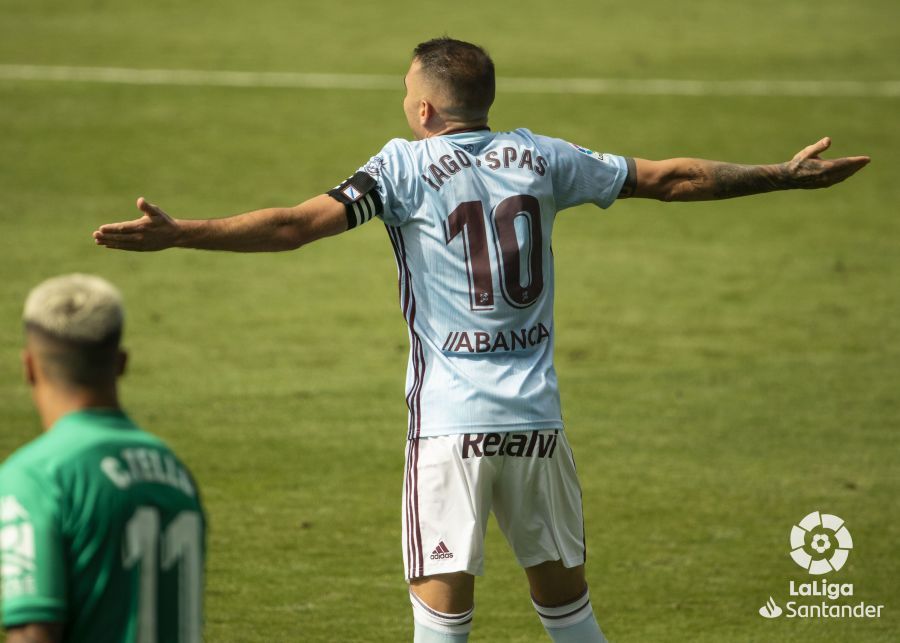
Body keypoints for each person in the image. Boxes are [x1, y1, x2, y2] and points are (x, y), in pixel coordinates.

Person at [92, 38, 869, 642]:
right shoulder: (544, 157)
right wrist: (778, 174)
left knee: (440, 626)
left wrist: (182, 234)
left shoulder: (399, 169)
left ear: (426, 110)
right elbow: (669, 178)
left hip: (450, 430)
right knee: (570, 618)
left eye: (407, 89)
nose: (402, 99)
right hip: (537, 423)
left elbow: (296, 226)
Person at [1, 274, 206, 643]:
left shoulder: (35, 477)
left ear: (29, 366)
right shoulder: (174, 471)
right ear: (121, 362)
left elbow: (34, 633)